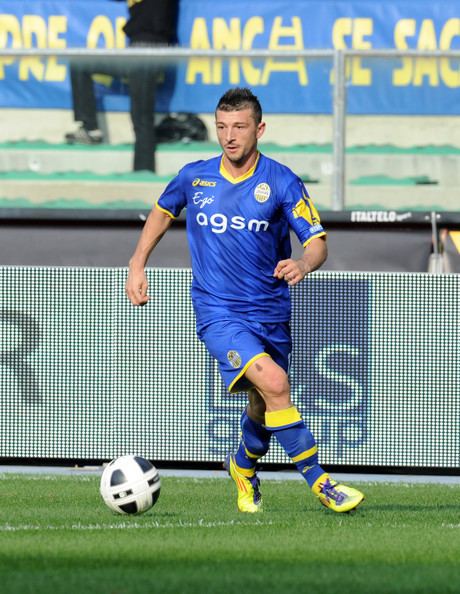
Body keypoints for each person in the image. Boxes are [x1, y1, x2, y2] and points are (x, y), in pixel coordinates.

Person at [125, 87, 365, 514]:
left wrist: (302, 265)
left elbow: (317, 243)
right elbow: (163, 211)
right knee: (275, 384)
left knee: (262, 403)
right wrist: (137, 262)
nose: (229, 136)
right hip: (218, 312)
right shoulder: (194, 177)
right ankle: (322, 483)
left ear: (260, 128)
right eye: (221, 127)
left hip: (269, 311)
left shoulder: (281, 181)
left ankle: (241, 466)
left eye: (239, 127)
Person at [65, 0, 177, 172]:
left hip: (152, 51)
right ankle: (90, 128)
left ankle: (143, 174)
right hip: (132, 52)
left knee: (141, 118)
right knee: (80, 63)